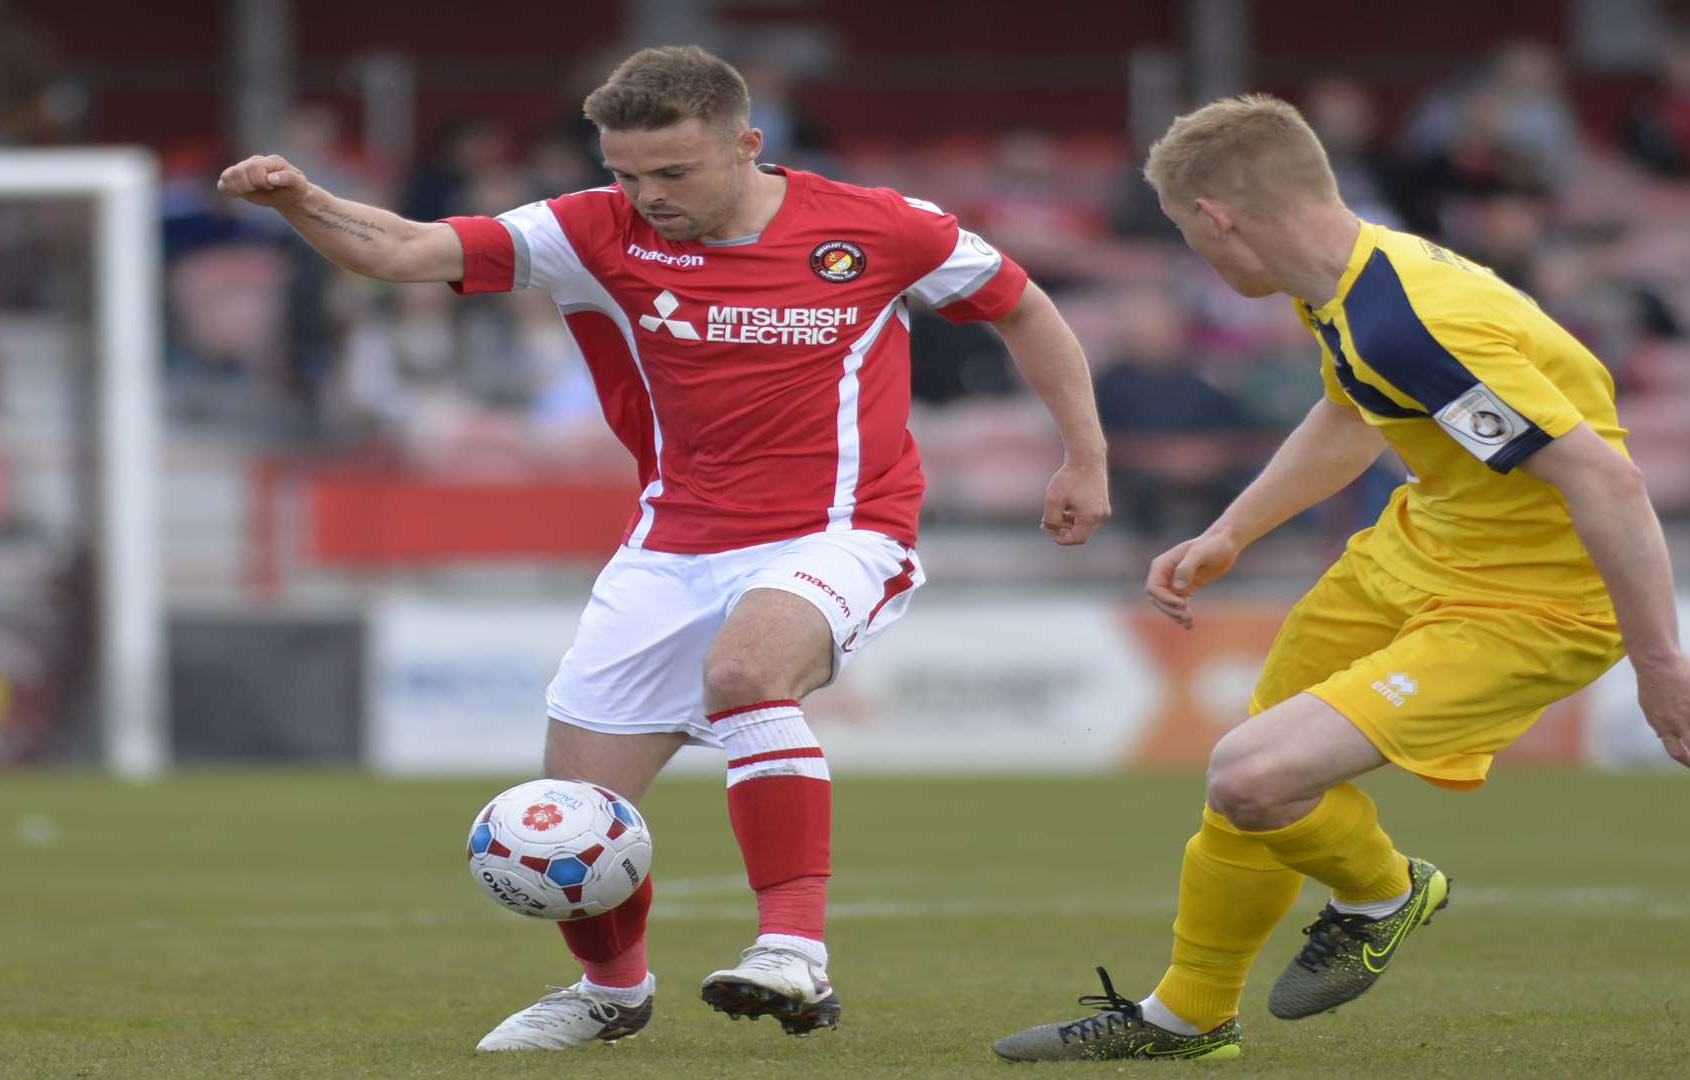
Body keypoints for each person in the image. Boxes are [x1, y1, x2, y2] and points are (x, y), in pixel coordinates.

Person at [218, 45, 1110, 1053]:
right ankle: (613, 990)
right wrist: (298, 199)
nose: (646, 195)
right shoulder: (589, 231)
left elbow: (1023, 306)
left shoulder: (879, 226)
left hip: (842, 528)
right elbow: (405, 251)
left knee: (744, 672)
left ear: (747, 145)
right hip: (671, 544)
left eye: (673, 173)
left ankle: (792, 953)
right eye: (625, 173)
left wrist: (1084, 456)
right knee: (563, 813)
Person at [992, 94, 1690, 1063]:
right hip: (1414, 550)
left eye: (1190, 235)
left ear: (1219, 217)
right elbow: (1354, 413)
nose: (1200, 259)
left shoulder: (1417, 316)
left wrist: (1661, 659)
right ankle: (1187, 1018)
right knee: (1249, 783)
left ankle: (1386, 891)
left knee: (1252, 773)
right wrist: (1234, 531)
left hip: (1530, 602)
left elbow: (1606, 477)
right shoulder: (1349, 286)